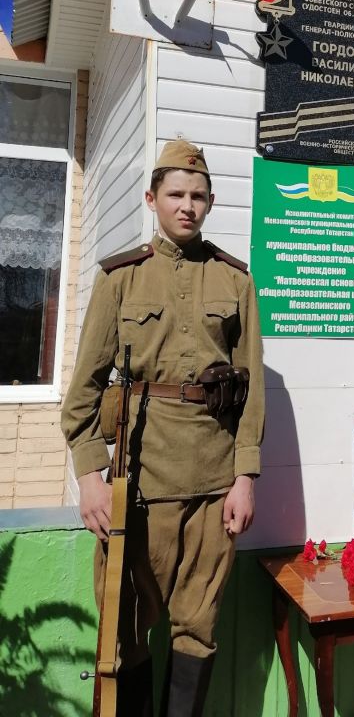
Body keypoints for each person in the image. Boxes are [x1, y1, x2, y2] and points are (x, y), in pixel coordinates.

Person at [61, 140, 264, 717]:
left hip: (212, 482)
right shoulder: (119, 279)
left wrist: (245, 476)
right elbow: (83, 392)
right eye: (176, 194)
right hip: (138, 484)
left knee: (197, 625)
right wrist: (90, 477)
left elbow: (249, 393)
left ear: (211, 203)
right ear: (152, 199)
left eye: (198, 196)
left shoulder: (235, 282)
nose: (188, 206)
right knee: (125, 627)